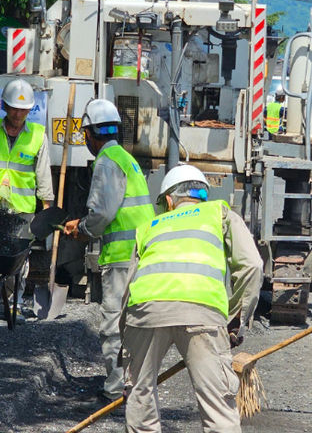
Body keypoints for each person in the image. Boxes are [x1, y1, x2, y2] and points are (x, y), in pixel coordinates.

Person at [120, 164, 263, 433]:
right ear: (202, 195)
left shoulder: (149, 226)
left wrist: (126, 351)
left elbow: (127, 291)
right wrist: (235, 319)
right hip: (202, 313)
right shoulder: (218, 211)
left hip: (146, 312)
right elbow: (253, 266)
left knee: (140, 398)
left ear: (170, 200)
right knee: (218, 407)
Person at [63, 99, 155, 401]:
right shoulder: (125, 158)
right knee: (136, 323)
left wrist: (83, 230)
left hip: (121, 257)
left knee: (113, 325)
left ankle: (117, 391)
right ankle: (135, 384)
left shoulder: (105, 161)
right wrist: (84, 223)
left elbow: (102, 214)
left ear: (90, 133)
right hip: (142, 252)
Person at [0, 78, 54, 318]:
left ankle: (11, 305)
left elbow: (43, 173)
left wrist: (46, 207)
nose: (18, 113)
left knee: (18, 259)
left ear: (30, 109)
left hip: (21, 209)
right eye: (14, 108)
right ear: (4, 106)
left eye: (23, 109)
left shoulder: (38, 135)